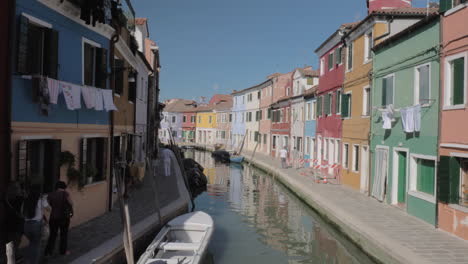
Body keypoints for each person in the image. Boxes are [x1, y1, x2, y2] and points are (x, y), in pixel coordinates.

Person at [44, 181, 73, 256]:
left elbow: (47, 206)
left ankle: (48, 252)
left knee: (52, 235)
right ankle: (63, 251)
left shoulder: (50, 194)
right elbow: (71, 203)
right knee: (64, 235)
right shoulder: (65, 194)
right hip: (64, 217)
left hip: (53, 218)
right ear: (64, 187)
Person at [23, 185, 49, 264]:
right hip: (36, 225)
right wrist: (45, 200)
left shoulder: (26, 200)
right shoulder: (41, 200)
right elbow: (49, 209)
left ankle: (28, 261)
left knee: (31, 244)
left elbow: (22, 212)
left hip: (26, 226)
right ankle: (33, 262)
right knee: (36, 246)